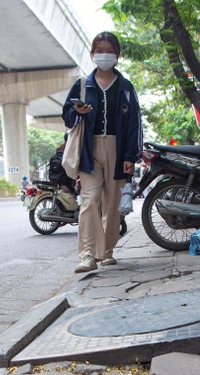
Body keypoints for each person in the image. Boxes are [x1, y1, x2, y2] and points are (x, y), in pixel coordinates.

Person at [62, 31, 142, 273]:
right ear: (92, 54)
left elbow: (134, 124)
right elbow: (67, 117)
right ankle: (87, 254)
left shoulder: (126, 87)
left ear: (117, 55)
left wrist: (131, 156)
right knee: (90, 201)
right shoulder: (82, 85)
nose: (104, 55)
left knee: (112, 206)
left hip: (118, 150)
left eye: (109, 50)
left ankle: (106, 251)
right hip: (89, 150)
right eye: (100, 50)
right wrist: (79, 112)